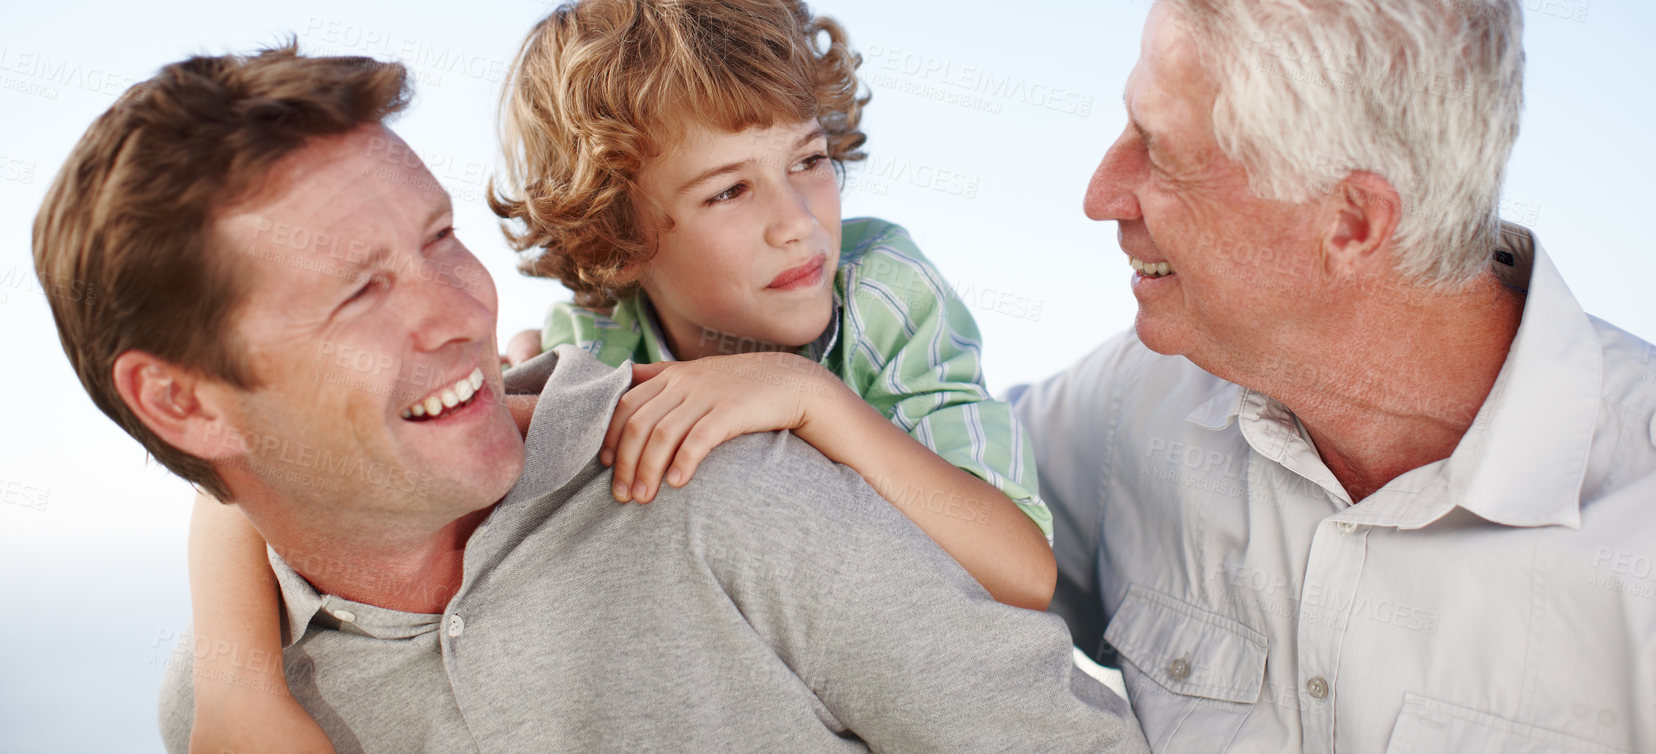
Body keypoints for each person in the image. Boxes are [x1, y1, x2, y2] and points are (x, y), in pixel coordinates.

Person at [33, 44, 1143, 754]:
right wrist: (235, 673)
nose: (458, 309)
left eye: (439, 238)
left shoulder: (730, 487)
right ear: (183, 404)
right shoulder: (228, 708)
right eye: (363, 289)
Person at [1011, 0, 1656, 751]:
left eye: (1159, 151)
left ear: (1352, 222)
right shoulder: (1141, 400)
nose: (1101, 195)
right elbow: (872, 512)